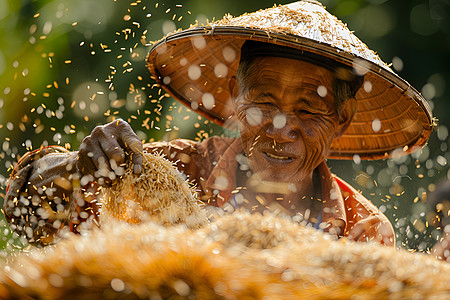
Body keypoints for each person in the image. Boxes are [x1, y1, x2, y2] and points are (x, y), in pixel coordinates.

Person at [3, 1, 433, 247]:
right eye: (263, 102)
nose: (281, 127)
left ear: (340, 120)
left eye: (307, 109)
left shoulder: (362, 231)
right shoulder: (170, 173)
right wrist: (77, 168)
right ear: (235, 96)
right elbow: (28, 217)